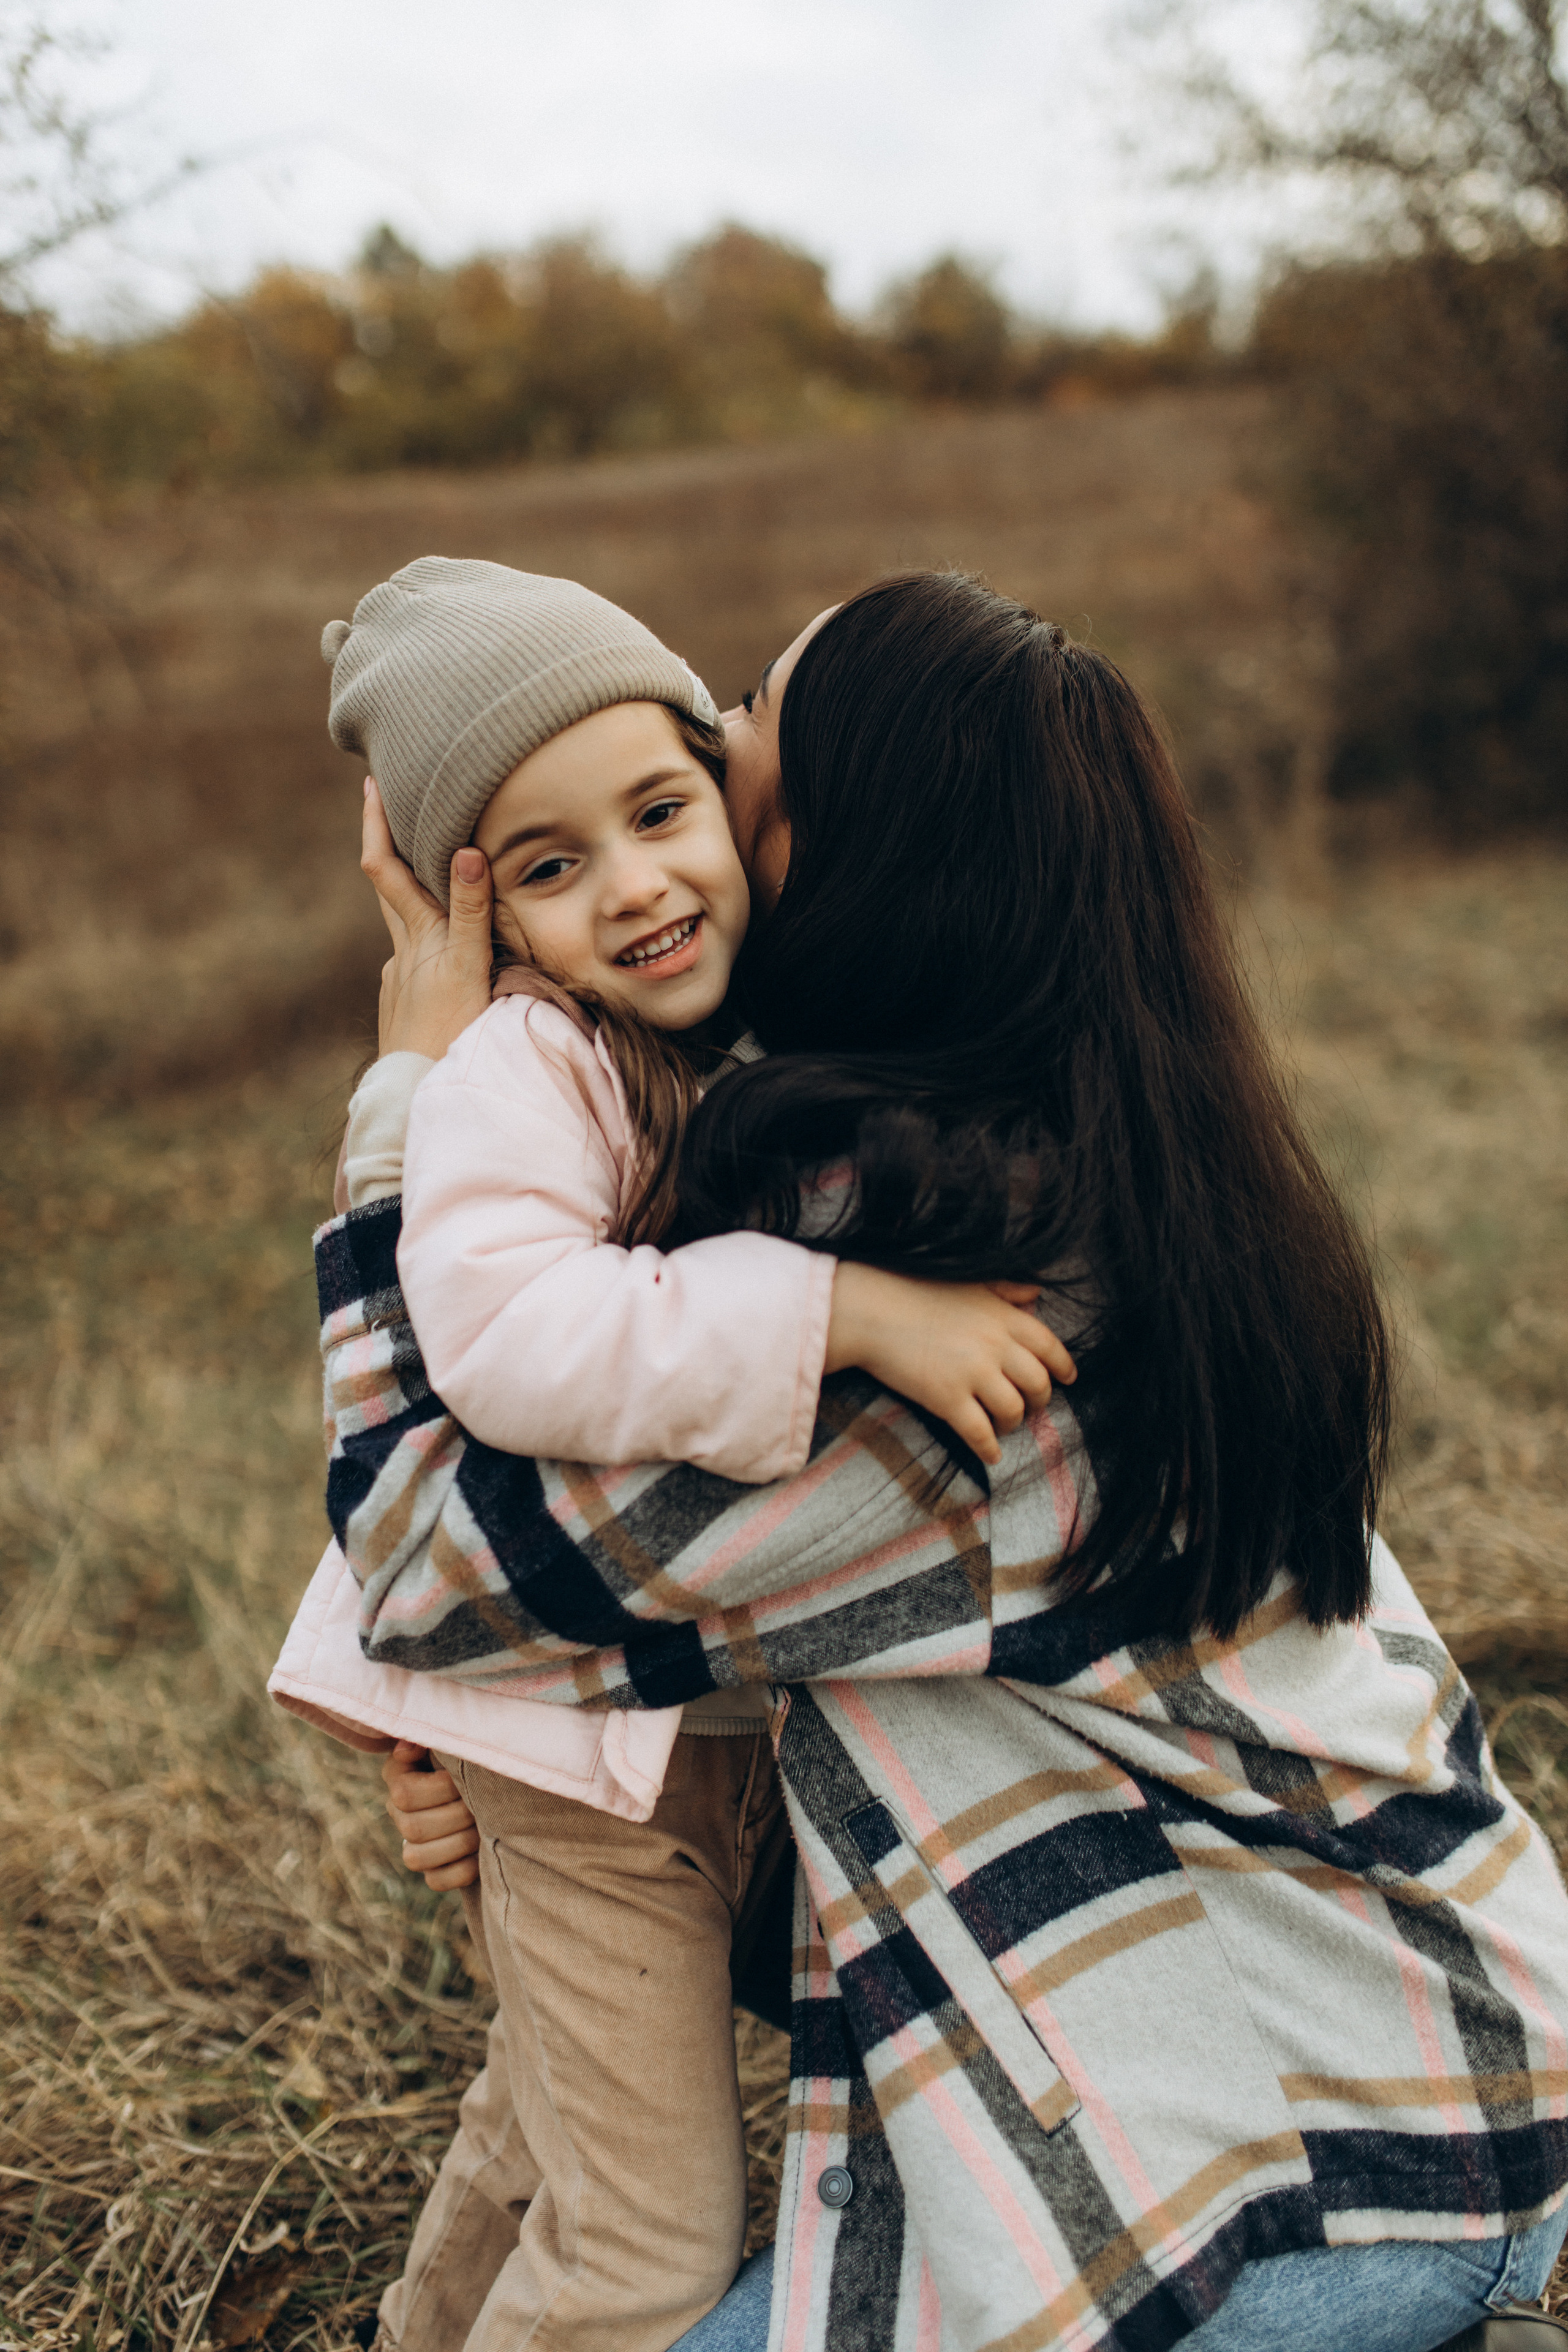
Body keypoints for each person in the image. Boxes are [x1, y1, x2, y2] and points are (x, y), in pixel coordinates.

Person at [311, 573, 1568, 2352]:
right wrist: (469, 1745)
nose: (715, 752)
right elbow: (737, 1631)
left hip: (1322, 2175)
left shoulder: (944, 1302)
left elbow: (436, 1576)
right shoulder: (1087, 1131)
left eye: (744, 741)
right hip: (1349, 2062)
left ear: (839, 855)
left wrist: (407, 1110)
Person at [271, 556, 1071, 2352]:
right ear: (484, 921)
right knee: (644, 2244)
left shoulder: (734, 1041)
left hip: (664, 1718)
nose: (636, 887)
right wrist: (843, 1313)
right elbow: (498, 1342)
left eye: (662, 810)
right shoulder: (523, 1072)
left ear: (727, 788)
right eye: (551, 867)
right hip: (577, 1747)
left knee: (543, 2113)